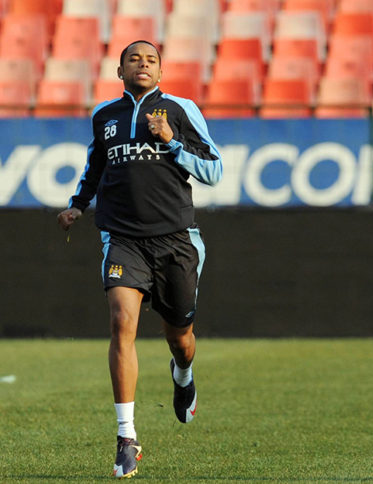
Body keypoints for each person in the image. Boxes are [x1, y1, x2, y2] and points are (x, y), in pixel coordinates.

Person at [57, 40, 222, 479]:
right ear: (120, 70)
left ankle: (183, 375)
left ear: (161, 71)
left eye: (151, 60)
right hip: (122, 239)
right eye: (134, 59)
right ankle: (126, 438)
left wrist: (171, 141)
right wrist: (78, 205)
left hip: (176, 241)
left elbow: (214, 171)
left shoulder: (181, 110)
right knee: (121, 322)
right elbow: (96, 167)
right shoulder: (104, 116)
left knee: (180, 337)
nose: (142, 64)